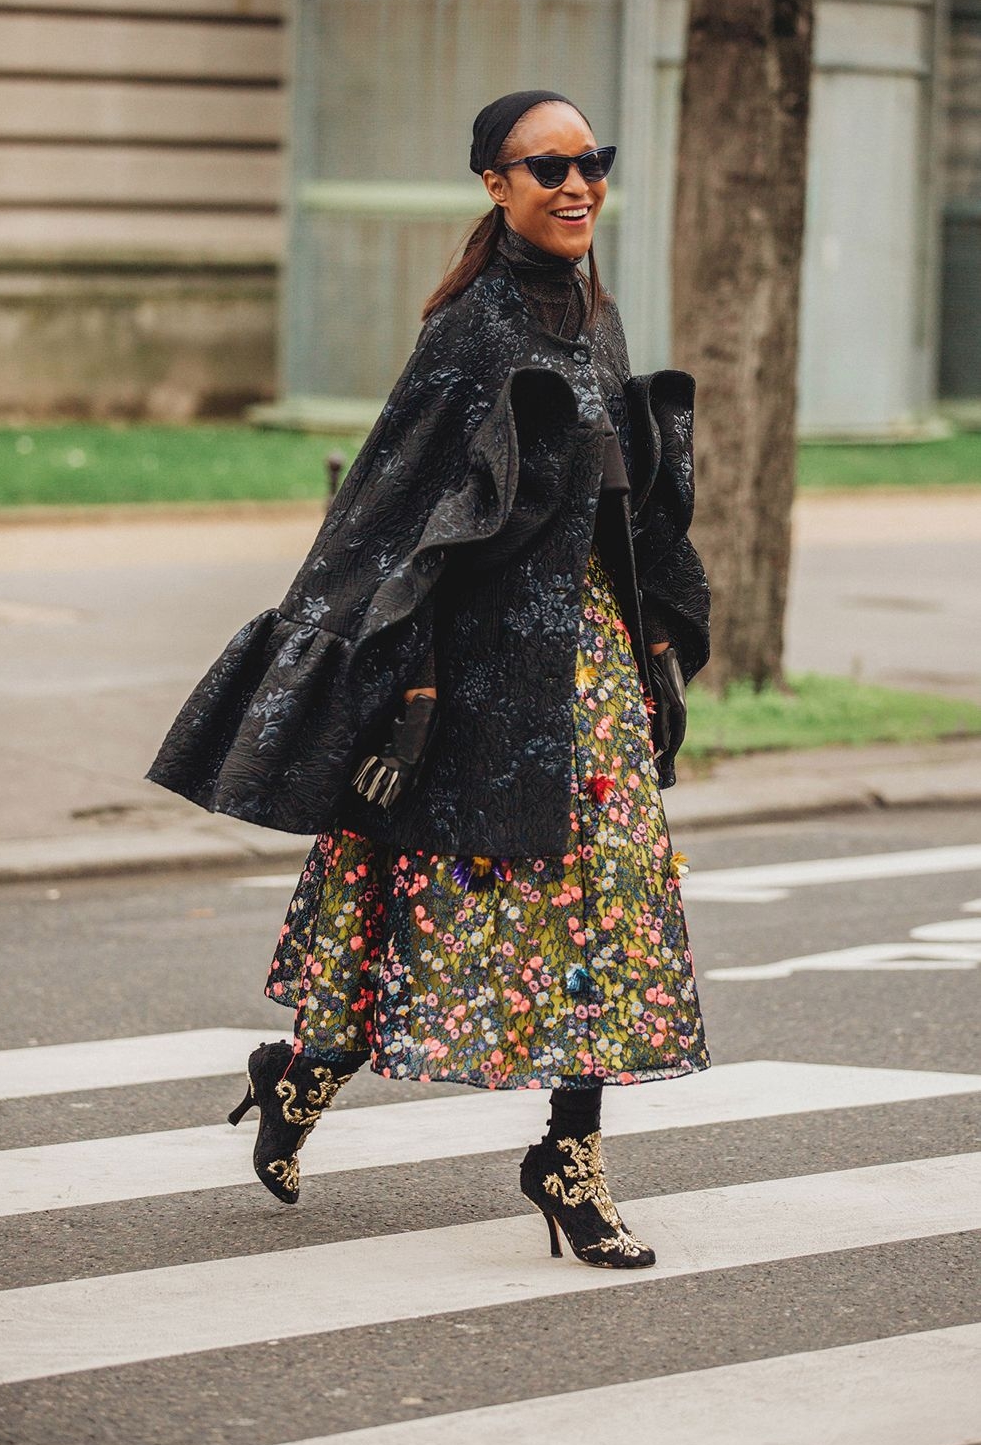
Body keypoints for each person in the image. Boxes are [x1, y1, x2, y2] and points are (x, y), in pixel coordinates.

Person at [149, 89, 712, 1270]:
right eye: (545, 165)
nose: (575, 184)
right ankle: (302, 1075)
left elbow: (614, 511)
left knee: (606, 915)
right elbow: (394, 521)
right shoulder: (472, 331)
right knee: (415, 908)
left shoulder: (596, 319)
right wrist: (405, 687)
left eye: (590, 162)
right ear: (495, 185)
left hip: (589, 671)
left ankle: (568, 1154)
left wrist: (655, 648)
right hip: (471, 684)